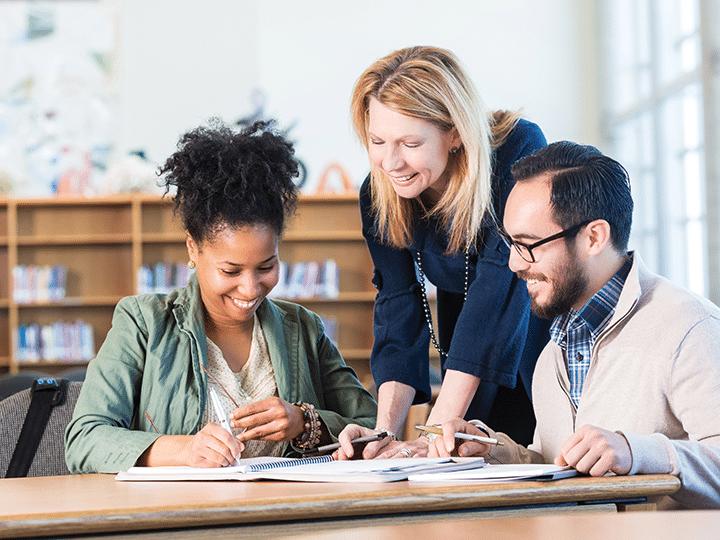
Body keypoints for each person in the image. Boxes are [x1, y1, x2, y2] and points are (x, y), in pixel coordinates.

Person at [65, 121, 377, 473]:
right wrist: (184, 450)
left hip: (288, 518)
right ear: (193, 248)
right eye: (231, 271)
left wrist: (305, 424)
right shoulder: (143, 323)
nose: (250, 288)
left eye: (266, 267)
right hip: (182, 520)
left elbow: (372, 427)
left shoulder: (303, 328)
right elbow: (85, 439)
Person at [428, 141, 720, 510]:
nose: (515, 264)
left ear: (594, 237)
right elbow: (560, 467)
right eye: (509, 243)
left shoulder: (690, 328)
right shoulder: (553, 349)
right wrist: (492, 452)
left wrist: (636, 452)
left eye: (528, 244)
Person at [337, 46, 550, 460]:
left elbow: (498, 290)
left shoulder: (517, 149)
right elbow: (398, 309)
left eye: (410, 143)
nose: (390, 161)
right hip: (465, 339)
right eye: (377, 140)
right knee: (460, 462)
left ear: (455, 133)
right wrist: (384, 432)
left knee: (531, 461)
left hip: (537, 329)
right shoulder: (378, 193)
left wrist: (434, 431)